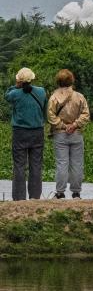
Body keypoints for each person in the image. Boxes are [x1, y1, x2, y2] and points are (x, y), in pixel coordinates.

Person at [6, 68, 48, 201]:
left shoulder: (15, 94)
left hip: (20, 133)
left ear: (19, 80)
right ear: (32, 79)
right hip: (37, 132)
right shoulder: (41, 91)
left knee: (19, 165)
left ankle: (19, 199)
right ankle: (35, 197)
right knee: (36, 165)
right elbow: (45, 110)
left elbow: (6, 95)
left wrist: (15, 85)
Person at [47, 69, 90, 199]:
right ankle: (76, 192)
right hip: (76, 133)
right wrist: (75, 125)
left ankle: (60, 192)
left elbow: (51, 116)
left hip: (60, 134)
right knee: (77, 164)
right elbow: (86, 114)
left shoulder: (54, 97)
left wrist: (64, 126)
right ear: (72, 80)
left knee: (62, 163)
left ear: (58, 81)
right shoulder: (79, 96)